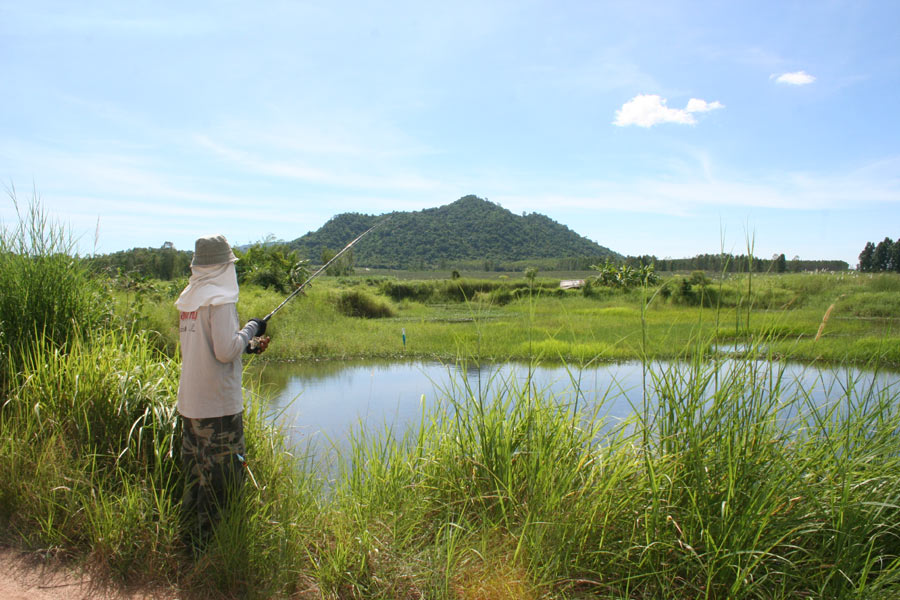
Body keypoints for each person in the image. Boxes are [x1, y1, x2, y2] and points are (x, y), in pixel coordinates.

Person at [174, 233, 270, 551]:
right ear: (224, 265)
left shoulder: (190, 299)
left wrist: (251, 346)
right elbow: (226, 350)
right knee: (225, 478)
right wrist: (252, 328)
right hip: (218, 409)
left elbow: (208, 346)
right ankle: (215, 552)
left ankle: (188, 546)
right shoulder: (221, 299)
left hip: (191, 406)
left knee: (196, 477)